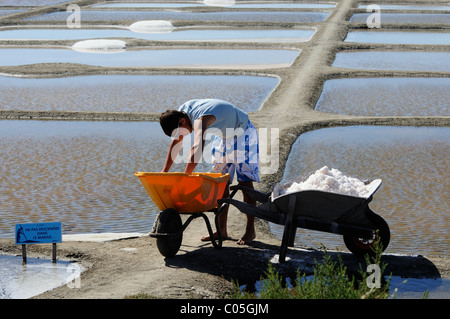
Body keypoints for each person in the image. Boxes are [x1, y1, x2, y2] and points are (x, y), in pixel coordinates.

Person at [159, 99, 260, 245]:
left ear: (181, 121)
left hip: (243, 132)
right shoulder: (181, 113)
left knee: (245, 182)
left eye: (182, 133)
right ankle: (221, 231)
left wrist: (186, 176)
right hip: (224, 136)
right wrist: (164, 171)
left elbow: (197, 147)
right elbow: (176, 142)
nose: (184, 136)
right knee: (221, 181)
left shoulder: (200, 119)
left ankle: (250, 230)